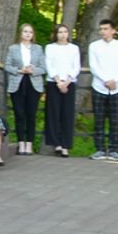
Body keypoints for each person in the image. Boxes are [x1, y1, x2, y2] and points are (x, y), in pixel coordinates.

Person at [87, 19, 118, 161]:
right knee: (99, 118)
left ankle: (113, 150)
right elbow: (93, 66)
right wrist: (106, 80)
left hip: (116, 87)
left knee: (115, 119)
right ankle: (99, 149)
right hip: (99, 86)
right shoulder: (94, 46)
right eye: (101, 29)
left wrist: (114, 80)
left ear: (113, 30)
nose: (103, 32)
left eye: (106, 29)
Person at [5, 23, 44, 156]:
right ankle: (21, 142)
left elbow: (43, 68)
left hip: (33, 83)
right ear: (20, 33)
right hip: (18, 82)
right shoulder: (13, 48)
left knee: (31, 114)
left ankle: (30, 144)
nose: (28, 34)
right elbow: (7, 66)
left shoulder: (38, 49)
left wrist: (33, 70)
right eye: (25, 32)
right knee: (19, 113)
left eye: (30, 32)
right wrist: (19, 70)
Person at [43, 23, 80, 157]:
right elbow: (49, 65)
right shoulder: (50, 48)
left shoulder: (74, 48)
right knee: (53, 113)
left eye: (65, 32)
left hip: (70, 83)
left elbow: (76, 67)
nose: (63, 34)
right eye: (60, 32)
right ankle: (56, 143)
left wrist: (67, 81)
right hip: (54, 82)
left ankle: (65, 145)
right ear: (56, 34)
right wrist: (58, 81)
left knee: (67, 114)